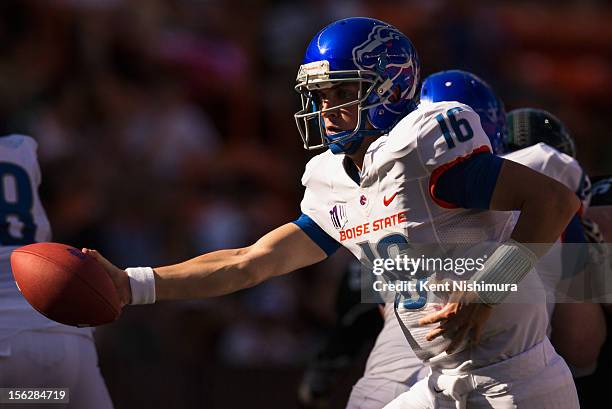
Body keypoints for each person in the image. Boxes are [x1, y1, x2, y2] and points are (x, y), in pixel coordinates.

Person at [85, 18, 580, 408]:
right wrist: (135, 284)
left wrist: (488, 288)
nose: (327, 109)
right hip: (439, 382)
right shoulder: (333, 181)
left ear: (390, 86)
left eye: (344, 92)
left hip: (517, 382)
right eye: (321, 95)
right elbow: (249, 262)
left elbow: (554, 202)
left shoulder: (425, 148)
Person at [0, 134, 114, 408]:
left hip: (7, 344)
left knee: (18, 398)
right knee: (48, 397)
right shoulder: (19, 146)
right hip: (67, 338)